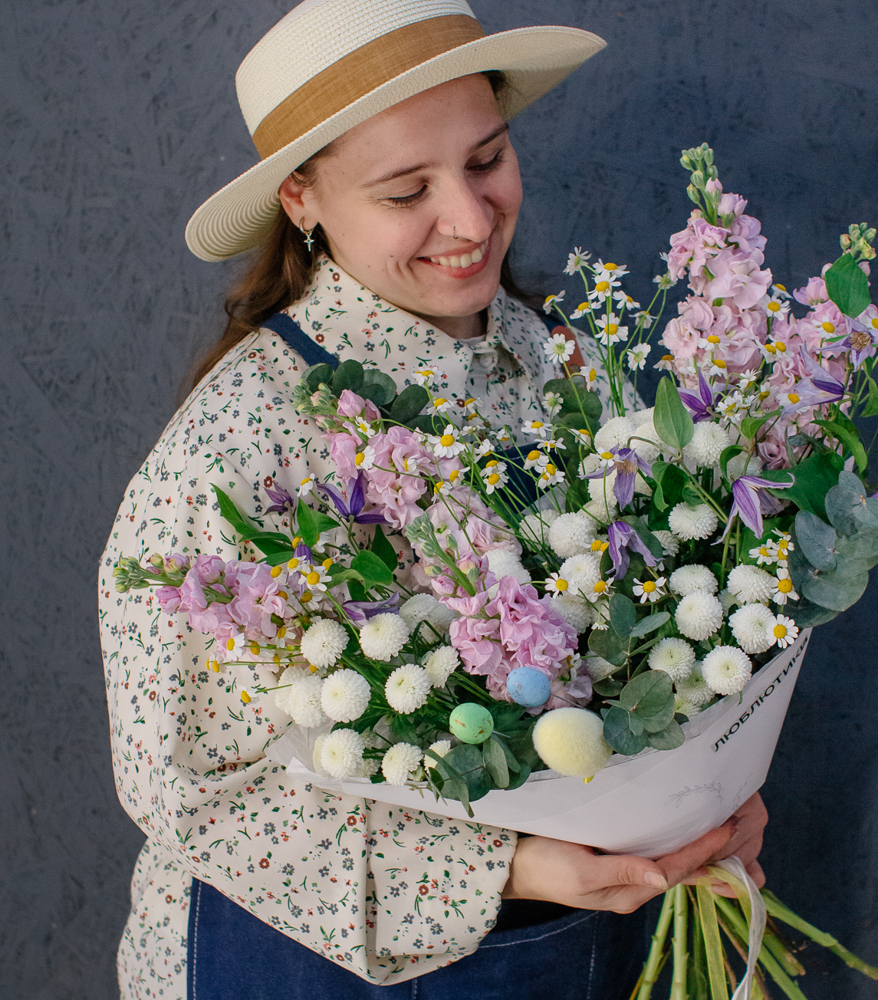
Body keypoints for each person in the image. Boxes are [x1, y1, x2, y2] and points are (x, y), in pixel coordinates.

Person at [99, 2, 768, 997]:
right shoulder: (240, 446)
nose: (468, 218)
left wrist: (711, 799)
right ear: (301, 200)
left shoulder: (569, 367)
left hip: (580, 938)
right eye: (406, 189)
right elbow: (183, 783)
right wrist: (501, 866)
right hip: (298, 963)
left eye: (488, 159)